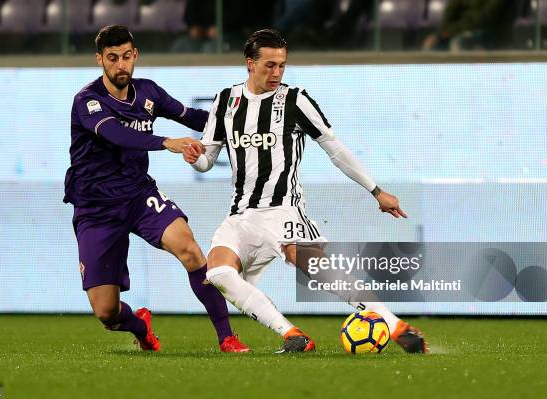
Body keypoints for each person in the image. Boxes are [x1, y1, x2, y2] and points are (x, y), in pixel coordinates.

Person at [183, 29, 427, 353]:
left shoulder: (295, 99)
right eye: (269, 65)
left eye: (282, 65)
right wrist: (195, 157)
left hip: (282, 208)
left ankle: (394, 325)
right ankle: (292, 335)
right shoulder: (226, 101)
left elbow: (335, 149)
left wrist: (376, 191)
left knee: (310, 263)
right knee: (218, 272)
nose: (277, 72)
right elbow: (208, 159)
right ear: (250, 64)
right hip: (241, 214)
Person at [63, 25, 249, 353]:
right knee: (107, 313)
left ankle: (227, 337)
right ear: (99, 60)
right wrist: (167, 142)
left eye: (126, 57)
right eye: (112, 58)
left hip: (138, 195)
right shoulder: (87, 102)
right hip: (97, 208)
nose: (121, 65)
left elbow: (192, 116)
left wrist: (242, 123)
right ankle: (140, 327)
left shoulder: (148, 92)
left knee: (190, 249)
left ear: (135, 55)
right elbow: (117, 135)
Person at [422, 0, 517, 51]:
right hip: (461, 30)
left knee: (459, 43)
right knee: (432, 44)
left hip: (491, 33)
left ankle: (463, 84)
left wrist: (451, 31)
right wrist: (439, 34)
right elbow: (450, 12)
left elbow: (485, 18)